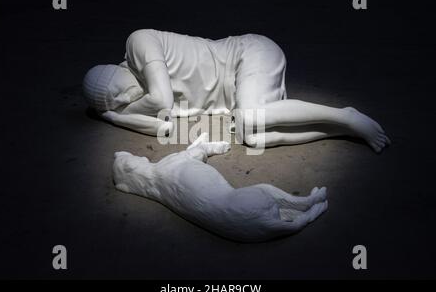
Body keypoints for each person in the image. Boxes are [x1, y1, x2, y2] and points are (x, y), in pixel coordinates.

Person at [83, 29, 390, 152]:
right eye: (117, 101)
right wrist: (114, 117)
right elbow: (162, 128)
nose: (125, 97)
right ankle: (337, 130)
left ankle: (346, 116)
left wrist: (116, 110)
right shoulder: (137, 96)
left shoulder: (138, 43)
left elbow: (161, 102)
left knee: (252, 115)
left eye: (117, 90)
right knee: (251, 137)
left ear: (114, 68)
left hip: (249, 54)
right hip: (234, 100)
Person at [113, 133, 328, 242]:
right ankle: (305, 204)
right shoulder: (164, 167)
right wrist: (205, 147)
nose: (134, 159)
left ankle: (303, 215)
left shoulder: (158, 188)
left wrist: (198, 148)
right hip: (238, 206)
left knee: (260, 201)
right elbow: (192, 154)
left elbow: (189, 155)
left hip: (235, 219)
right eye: (129, 163)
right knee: (264, 191)